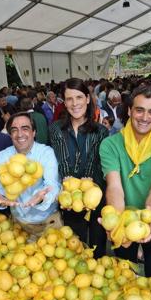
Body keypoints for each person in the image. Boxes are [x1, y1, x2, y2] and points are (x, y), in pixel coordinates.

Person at [99, 85, 151, 277]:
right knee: (125, 273)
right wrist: (118, 223)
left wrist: (148, 218)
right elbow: (114, 186)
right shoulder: (110, 144)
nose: (145, 117)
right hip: (123, 215)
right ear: (129, 110)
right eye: (139, 110)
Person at [49, 78, 109, 257]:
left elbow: (94, 159)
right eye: (69, 99)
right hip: (69, 198)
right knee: (74, 248)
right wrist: (67, 181)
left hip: (95, 196)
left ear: (88, 99)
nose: (75, 103)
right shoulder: (56, 129)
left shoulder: (101, 131)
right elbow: (61, 158)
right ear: (64, 102)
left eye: (79, 97)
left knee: (97, 248)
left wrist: (88, 178)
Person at [0, 112, 61, 239]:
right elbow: (0, 188)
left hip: (47, 222)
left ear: (34, 132)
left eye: (25, 128)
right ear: (10, 134)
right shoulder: (3, 156)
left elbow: (53, 185)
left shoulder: (46, 153)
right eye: (14, 130)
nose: (20, 134)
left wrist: (42, 198)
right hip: (18, 223)